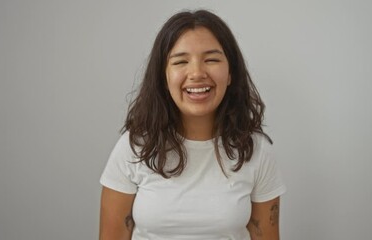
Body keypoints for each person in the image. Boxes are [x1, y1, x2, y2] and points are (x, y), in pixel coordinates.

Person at [99, 9, 286, 240]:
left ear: (230, 74)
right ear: (163, 78)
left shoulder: (256, 150)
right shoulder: (134, 147)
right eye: (180, 61)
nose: (197, 73)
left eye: (211, 59)